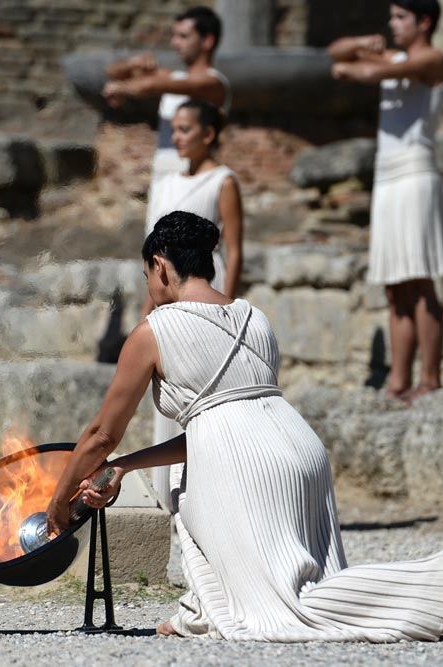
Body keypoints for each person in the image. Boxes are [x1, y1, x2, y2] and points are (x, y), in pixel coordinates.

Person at [46, 212, 443, 642]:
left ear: (159, 265)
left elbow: (102, 434)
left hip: (245, 469)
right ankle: (204, 612)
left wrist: (58, 501)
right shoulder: (254, 317)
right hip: (301, 451)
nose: (150, 290)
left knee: (288, 607)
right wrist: (124, 466)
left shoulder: (153, 331)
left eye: (147, 277)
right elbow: (222, 425)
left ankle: (438, 582)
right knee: (300, 582)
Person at [329, 0, 443, 402]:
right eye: (392, 17)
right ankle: (399, 381)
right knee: (395, 286)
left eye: (401, 17)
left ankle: (430, 378)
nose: (392, 24)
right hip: (387, 176)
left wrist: (359, 65)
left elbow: (372, 70)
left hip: (416, 173)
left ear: (424, 21)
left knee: (420, 280)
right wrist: (363, 44)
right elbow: (336, 54)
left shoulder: (433, 60)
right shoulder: (394, 55)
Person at [143, 99, 243, 513]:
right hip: (166, 293)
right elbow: (153, 257)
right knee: (168, 389)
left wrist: (229, 313)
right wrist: (147, 309)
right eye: (174, 130)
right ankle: (168, 499)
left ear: (208, 133)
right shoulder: (164, 182)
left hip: (205, 288)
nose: (178, 138)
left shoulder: (223, 181)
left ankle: (206, 498)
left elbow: (234, 251)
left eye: (186, 129)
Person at [103, 5, 230, 217]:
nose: (174, 43)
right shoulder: (174, 78)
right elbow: (112, 73)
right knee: (156, 248)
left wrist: (122, 89)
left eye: (183, 36)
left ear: (207, 41)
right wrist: (133, 62)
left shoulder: (213, 83)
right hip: (164, 178)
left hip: (196, 180)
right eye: (175, 36)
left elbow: (150, 86)